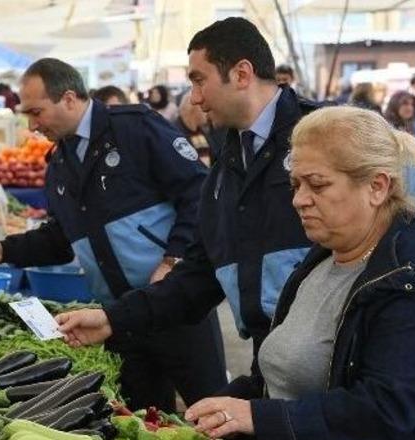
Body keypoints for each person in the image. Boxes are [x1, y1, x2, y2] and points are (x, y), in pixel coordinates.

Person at [182, 106, 415, 440]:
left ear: (377, 187)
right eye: (296, 185)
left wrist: (255, 417)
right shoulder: (319, 261)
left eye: (317, 185)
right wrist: (224, 409)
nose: (299, 199)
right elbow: (281, 376)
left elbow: (380, 412)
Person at [55, 17, 318, 368]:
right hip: (270, 354)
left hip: (331, 355)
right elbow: (199, 274)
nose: (194, 98)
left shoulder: (321, 136)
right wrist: (111, 319)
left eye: (199, 80)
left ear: (241, 74)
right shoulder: (228, 161)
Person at [0, 57, 227, 411]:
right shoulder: (59, 164)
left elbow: (198, 192)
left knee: (215, 414)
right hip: (121, 318)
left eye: (36, 112)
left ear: (70, 98)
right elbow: (61, 240)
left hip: (175, 304)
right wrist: (3, 250)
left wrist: (173, 258)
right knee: (142, 420)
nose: (31, 125)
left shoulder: (135, 129)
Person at [173, 92, 222, 167]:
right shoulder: (176, 134)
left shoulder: (201, 131)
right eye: (204, 109)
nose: (207, 114)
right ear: (194, 109)